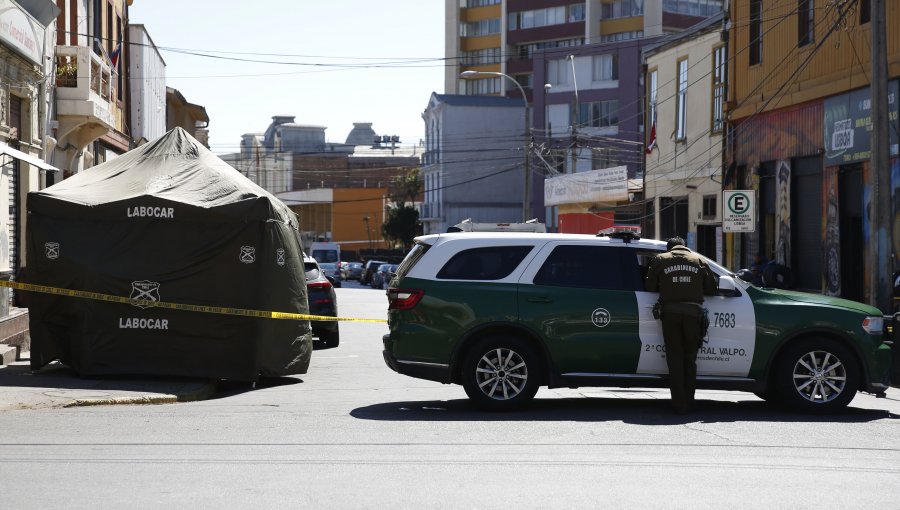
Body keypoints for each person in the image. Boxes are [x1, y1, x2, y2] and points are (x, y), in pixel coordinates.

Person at [645, 237, 719, 414]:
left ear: (669, 248)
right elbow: (712, 289)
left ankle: (679, 404)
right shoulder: (699, 260)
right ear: (684, 246)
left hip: (670, 314)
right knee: (690, 359)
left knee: (675, 358)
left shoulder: (661, 259)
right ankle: (690, 400)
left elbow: (649, 286)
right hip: (693, 314)